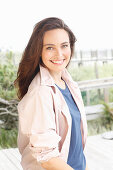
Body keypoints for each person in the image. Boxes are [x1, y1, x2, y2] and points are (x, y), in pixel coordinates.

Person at [15, 17, 88, 170]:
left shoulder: (69, 83)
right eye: (49, 47)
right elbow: (48, 159)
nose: (59, 54)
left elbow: (76, 147)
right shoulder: (40, 93)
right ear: (38, 51)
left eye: (64, 46)